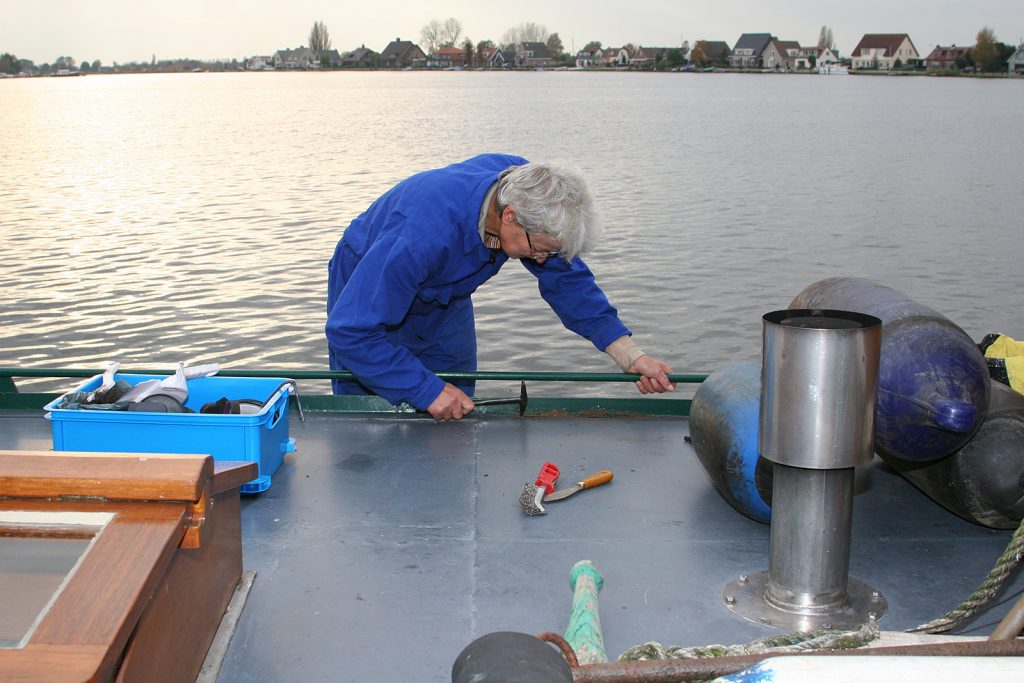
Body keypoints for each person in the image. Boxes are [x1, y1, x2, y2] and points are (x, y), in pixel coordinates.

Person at [326, 153, 675, 420]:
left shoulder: (528, 190)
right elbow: (351, 331)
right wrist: (425, 390)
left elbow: (568, 281)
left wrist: (630, 356)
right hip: (372, 279)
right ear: (508, 217)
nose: (541, 259)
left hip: (445, 292)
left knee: (456, 401)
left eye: (548, 251)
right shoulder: (418, 238)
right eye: (537, 249)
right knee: (370, 407)